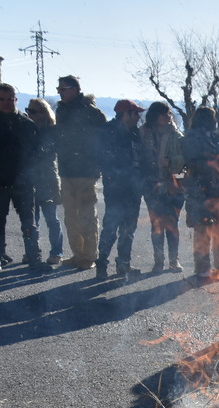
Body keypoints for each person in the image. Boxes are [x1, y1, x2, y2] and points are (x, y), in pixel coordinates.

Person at [0, 83, 41, 274]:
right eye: (2, 99)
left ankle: (34, 258)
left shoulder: (27, 124)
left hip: (23, 181)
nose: (6, 103)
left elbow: (36, 153)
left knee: (29, 221)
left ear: (15, 100)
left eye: (10, 99)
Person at [54, 75, 106, 270]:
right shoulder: (61, 111)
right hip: (67, 171)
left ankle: (89, 256)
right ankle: (77, 254)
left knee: (87, 217)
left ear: (75, 89)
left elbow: (103, 141)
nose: (60, 92)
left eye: (63, 88)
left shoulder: (92, 112)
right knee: (70, 217)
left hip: (86, 172)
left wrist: (96, 163)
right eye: (58, 89)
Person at [95, 99, 145, 279]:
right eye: (135, 113)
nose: (139, 116)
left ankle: (124, 265)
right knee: (111, 226)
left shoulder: (135, 133)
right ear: (126, 113)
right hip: (116, 189)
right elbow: (101, 157)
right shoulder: (107, 132)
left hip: (134, 189)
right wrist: (112, 176)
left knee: (128, 228)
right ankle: (101, 264)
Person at [182, 106, 219, 282]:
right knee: (202, 228)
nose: (215, 122)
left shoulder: (211, 137)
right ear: (204, 119)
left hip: (215, 188)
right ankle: (202, 267)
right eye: (212, 118)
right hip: (199, 189)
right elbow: (193, 163)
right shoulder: (192, 138)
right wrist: (214, 163)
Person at [139, 102, 185, 273]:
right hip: (151, 185)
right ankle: (158, 261)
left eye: (169, 114)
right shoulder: (143, 133)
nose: (168, 117)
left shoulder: (176, 135)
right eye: (164, 114)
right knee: (156, 225)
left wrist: (171, 162)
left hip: (173, 185)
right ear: (155, 115)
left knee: (172, 224)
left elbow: (184, 159)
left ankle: (174, 261)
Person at [25, 98, 64, 268]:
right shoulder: (25, 128)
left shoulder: (52, 131)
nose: (29, 114)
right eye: (28, 110)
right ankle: (32, 252)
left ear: (43, 112)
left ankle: (56, 252)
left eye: (33, 111)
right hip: (28, 179)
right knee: (32, 220)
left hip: (47, 179)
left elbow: (53, 155)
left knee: (51, 219)